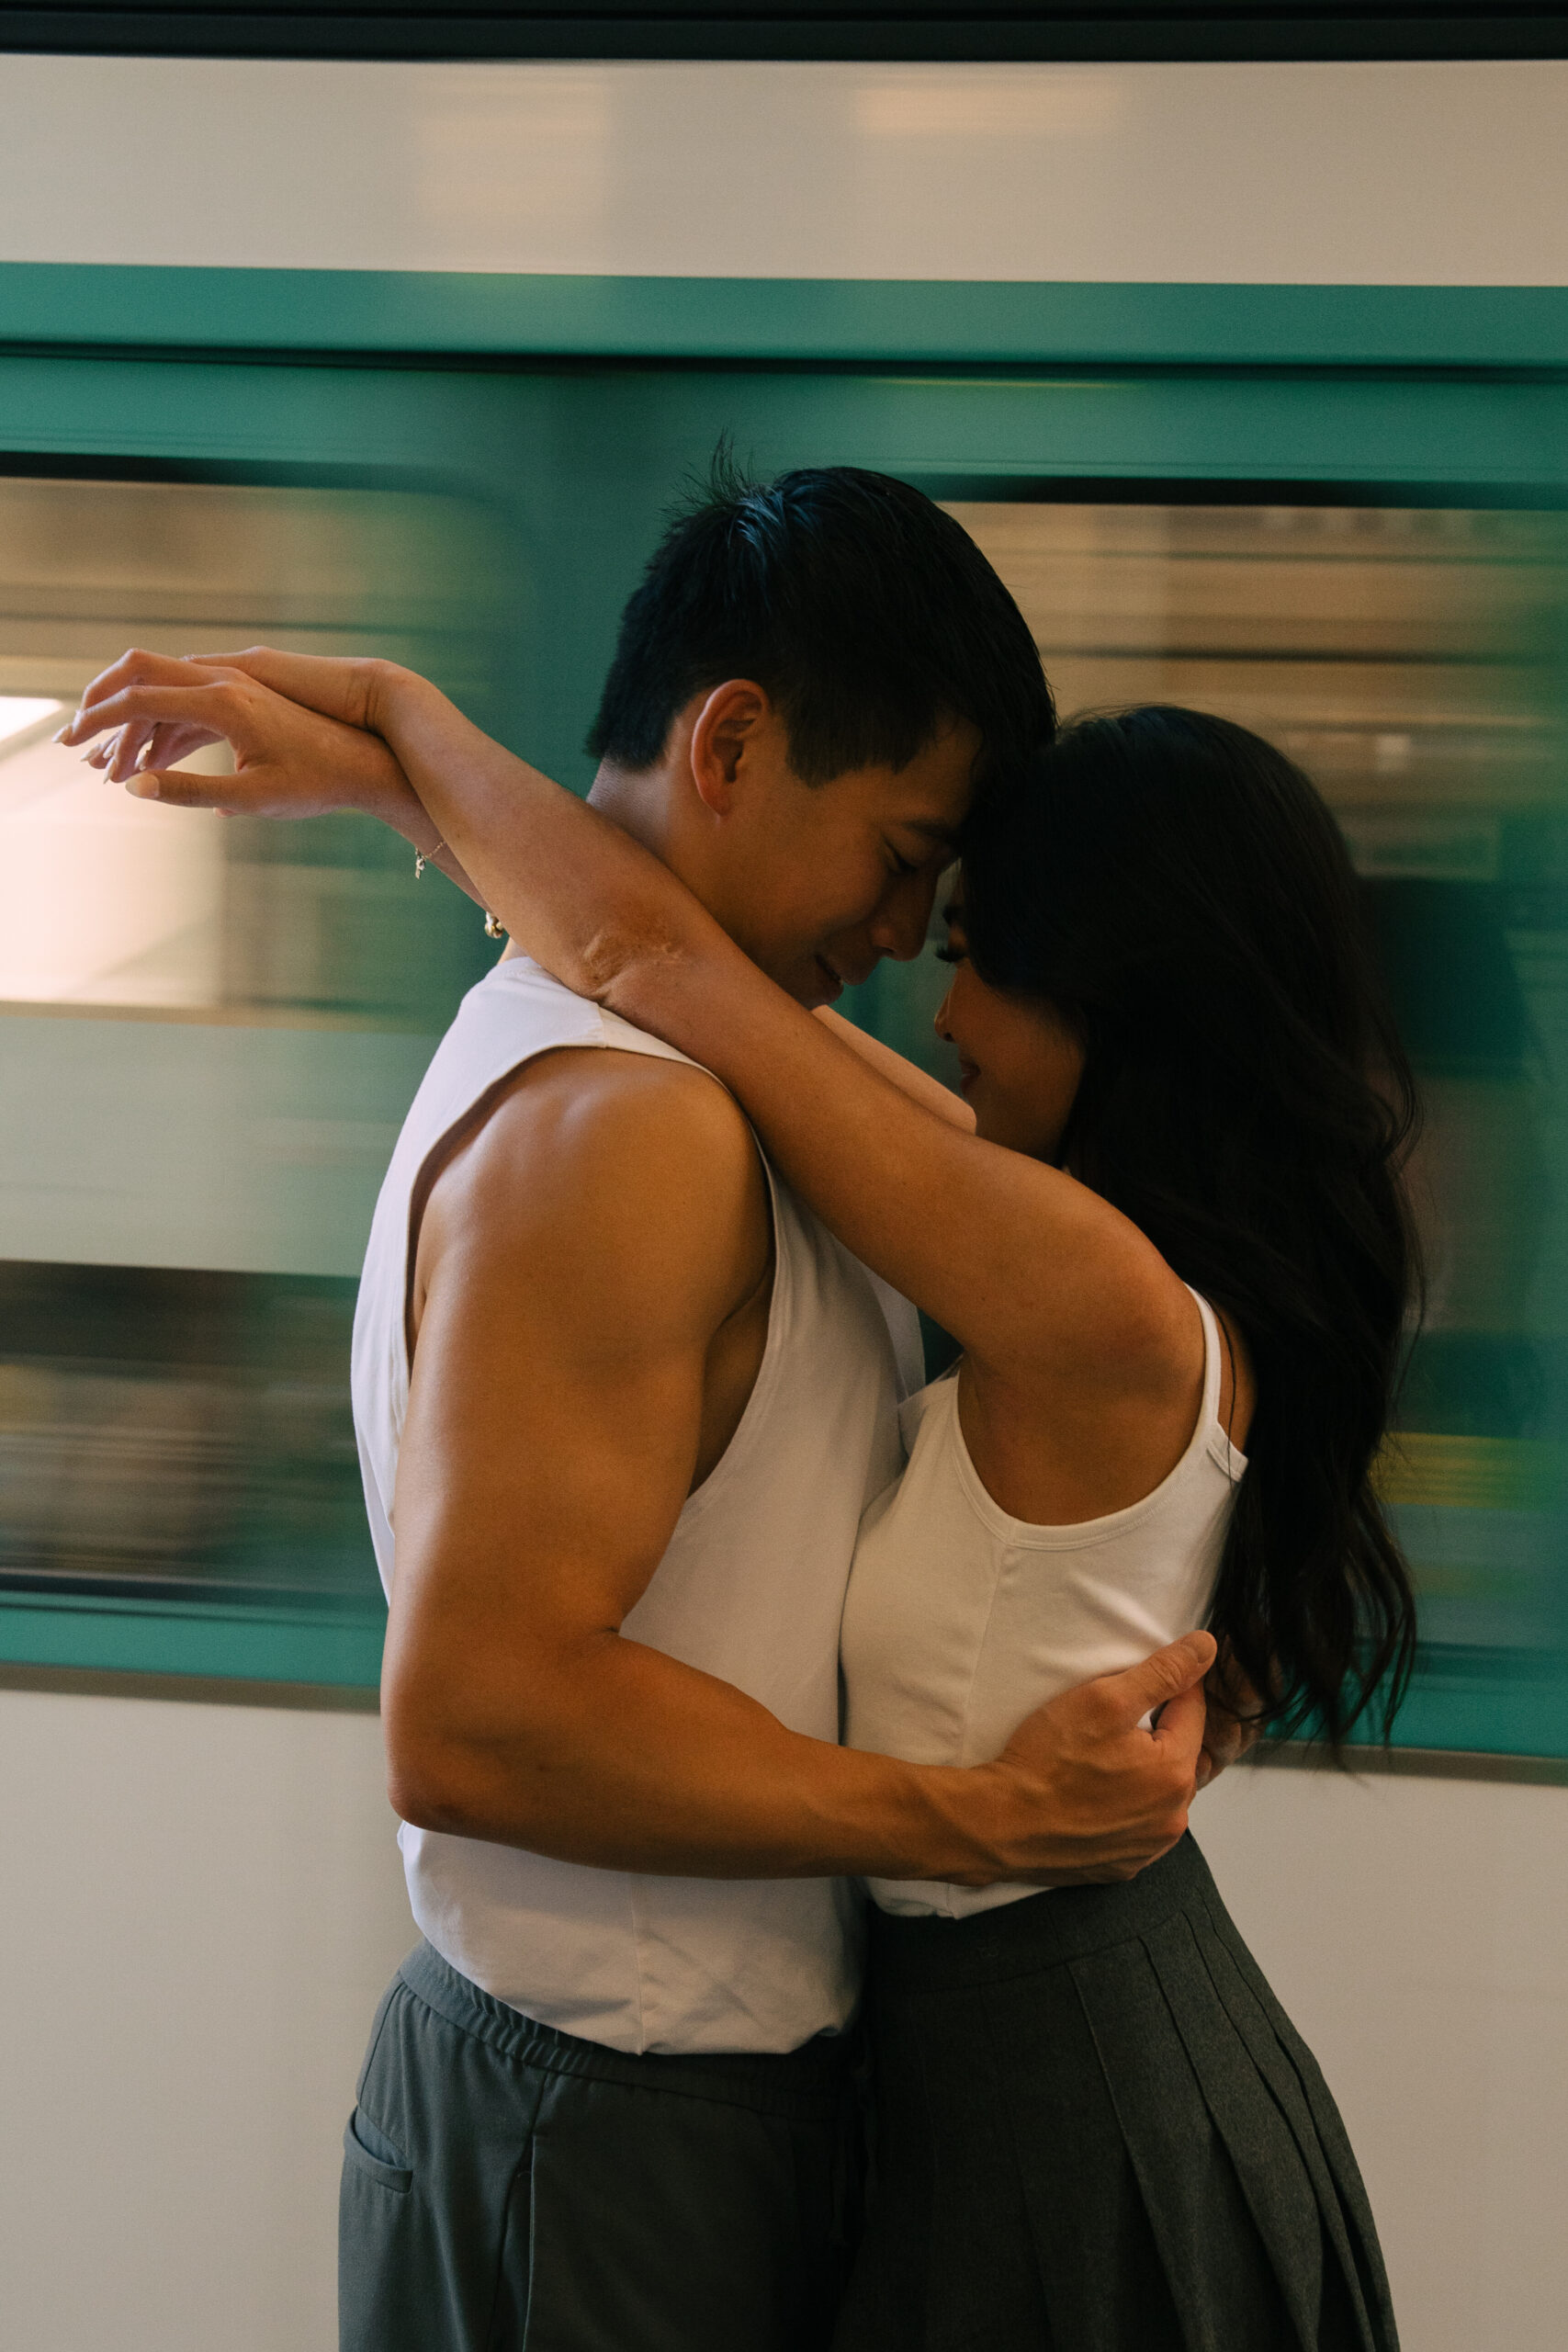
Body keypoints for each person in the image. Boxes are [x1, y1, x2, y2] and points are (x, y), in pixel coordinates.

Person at [61, 469, 1258, 2352]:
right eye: (896, 854)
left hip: (661, 2095)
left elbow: (637, 930)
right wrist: (965, 1813)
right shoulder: (630, 1129)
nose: (900, 936)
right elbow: (480, 1717)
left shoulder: (691, 1056)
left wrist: (396, 741)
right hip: (610, 2112)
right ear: (733, 742)